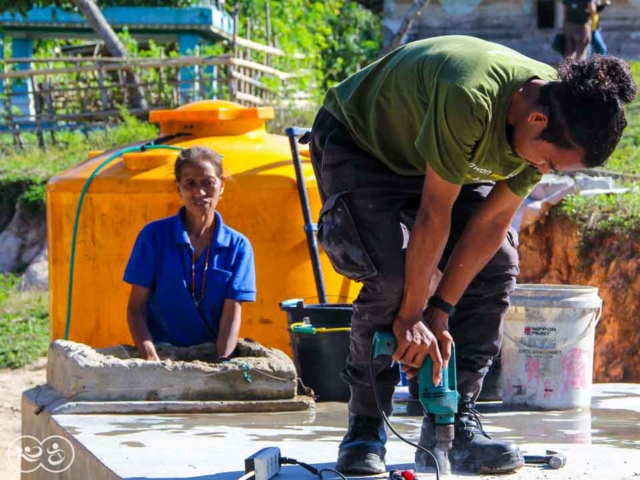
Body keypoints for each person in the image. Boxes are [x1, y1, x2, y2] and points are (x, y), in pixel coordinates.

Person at [309, 35, 635, 475]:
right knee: (390, 275)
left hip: (435, 156)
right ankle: (366, 424)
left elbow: (492, 222)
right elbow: (432, 213)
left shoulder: (554, 113)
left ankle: (454, 419)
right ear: (536, 120)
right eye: (550, 164)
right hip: (362, 143)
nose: (543, 172)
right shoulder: (471, 97)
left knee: (497, 263)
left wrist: (439, 312)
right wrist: (410, 316)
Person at [124, 146, 257, 361]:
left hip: (210, 358)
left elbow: (231, 315)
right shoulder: (154, 237)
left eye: (208, 183)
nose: (200, 192)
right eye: (190, 184)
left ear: (221, 185)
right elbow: (135, 308)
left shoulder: (238, 247)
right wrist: (150, 357)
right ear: (178, 188)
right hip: (161, 356)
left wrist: (221, 364)